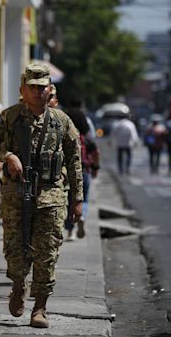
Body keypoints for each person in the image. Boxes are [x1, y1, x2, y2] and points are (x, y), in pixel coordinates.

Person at [0, 62, 83, 329]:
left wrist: (78, 199)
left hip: (51, 197)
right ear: (23, 89)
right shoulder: (10, 117)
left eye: (42, 88)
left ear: (50, 90)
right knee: (15, 249)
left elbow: (74, 160)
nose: (38, 92)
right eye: (33, 87)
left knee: (47, 253)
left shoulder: (62, 122)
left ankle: (40, 307)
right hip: (16, 196)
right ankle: (18, 286)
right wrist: (8, 156)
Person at [65, 98, 99, 240]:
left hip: (66, 171)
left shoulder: (64, 126)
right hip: (84, 170)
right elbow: (96, 152)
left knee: (68, 201)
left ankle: (70, 231)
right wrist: (96, 167)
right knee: (83, 199)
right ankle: (82, 216)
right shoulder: (85, 138)